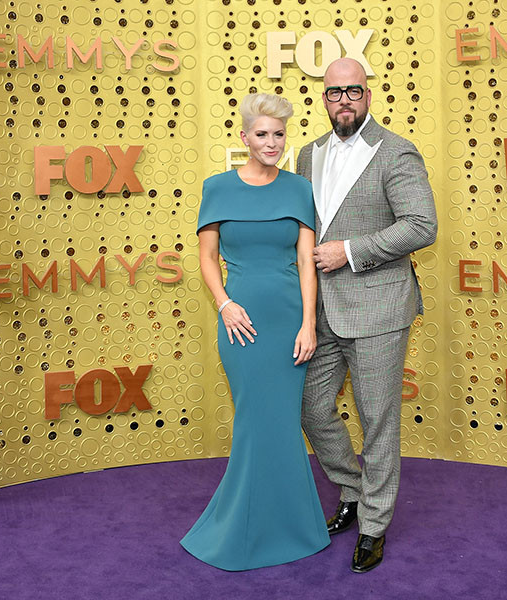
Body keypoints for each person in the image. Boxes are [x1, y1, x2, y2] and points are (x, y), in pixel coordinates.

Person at [296, 58, 438, 573]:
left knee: (378, 422)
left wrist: (351, 250)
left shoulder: (396, 151)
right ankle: (352, 492)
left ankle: (374, 526)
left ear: (368, 95)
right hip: (323, 311)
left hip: (379, 307)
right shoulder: (307, 154)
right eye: (334, 93)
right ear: (325, 98)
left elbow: (422, 225)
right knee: (310, 408)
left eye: (353, 91)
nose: (344, 101)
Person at [180, 93, 330, 570]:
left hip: (289, 319)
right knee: (252, 422)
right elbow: (206, 258)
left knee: (283, 423)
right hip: (240, 321)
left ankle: (292, 528)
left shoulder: (298, 189)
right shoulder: (217, 187)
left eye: (279, 135)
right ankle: (241, 528)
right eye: (261, 134)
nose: (271, 143)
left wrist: (309, 323)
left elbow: (307, 261)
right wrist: (224, 305)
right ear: (244, 137)